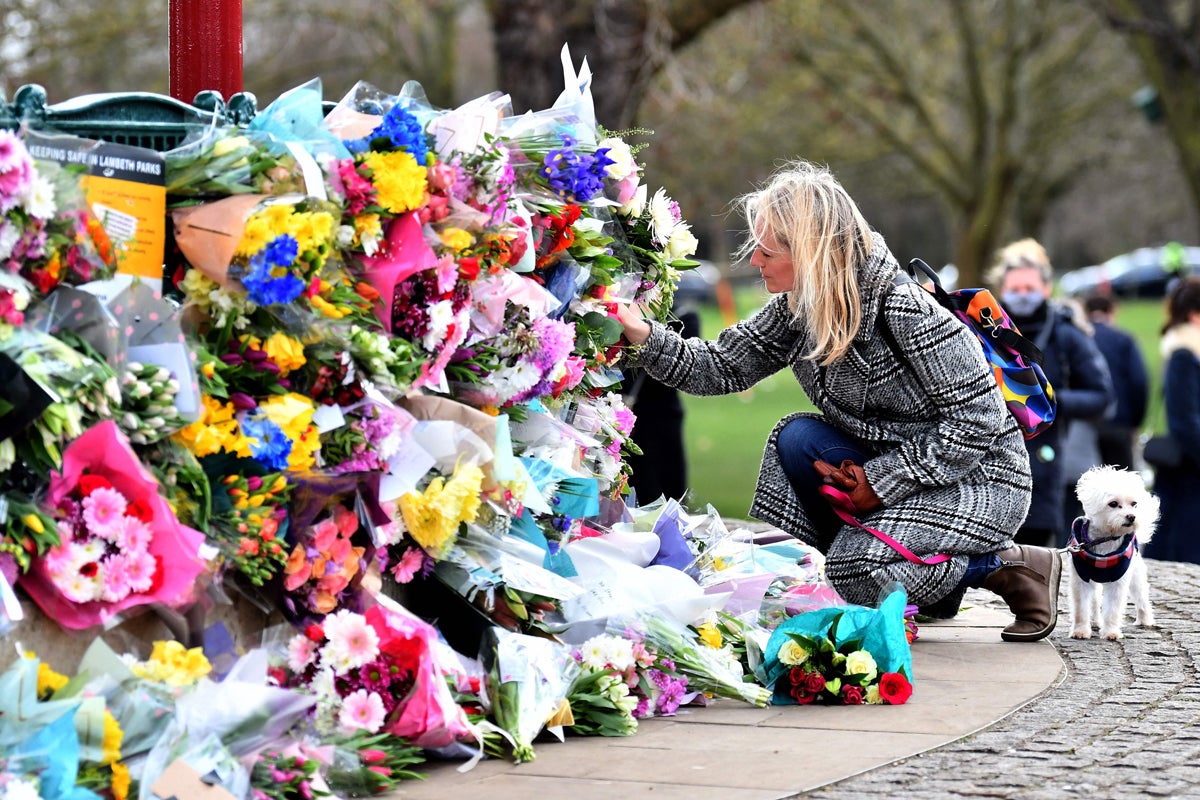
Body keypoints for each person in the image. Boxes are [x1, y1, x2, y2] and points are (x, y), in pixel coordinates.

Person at [616, 159, 1060, 642]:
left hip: (980, 478)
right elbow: (724, 366)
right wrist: (641, 333)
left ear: (808, 251)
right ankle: (908, 578)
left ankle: (1002, 566)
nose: (754, 262)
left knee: (850, 570)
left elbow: (979, 423)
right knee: (796, 438)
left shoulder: (905, 310)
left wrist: (883, 481)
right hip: (898, 465)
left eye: (766, 250)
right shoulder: (797, 307)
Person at [988, 240, 1114, 549]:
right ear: (1001, 290)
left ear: (1046, 288)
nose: (1022, 295)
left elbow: (1102, 396)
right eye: (1014, 288)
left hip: (1045, 464)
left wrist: (1048, 400)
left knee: (1036, 551)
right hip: (990, 460)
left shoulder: (1066, 334)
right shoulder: (985, 331)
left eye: (1029, 287)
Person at [1142, 277, 1200, 564]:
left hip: (1186, 472)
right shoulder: (1184, 355)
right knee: (1181, 559)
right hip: (1185, 475)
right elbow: (1185, 422)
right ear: (1194, 314)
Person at [624, 300, 702, 504]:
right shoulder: (621, 317)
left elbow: (684, 371)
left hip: (662, 416)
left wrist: (642, 334)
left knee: (666, 485)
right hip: (628, 418)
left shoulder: (683, 316)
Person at [1084, 294, 1149, 470]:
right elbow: (1138, 381)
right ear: (1111, 312)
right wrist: (1135, 421)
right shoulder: (1123, 340)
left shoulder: (1078, 339)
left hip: (1084, 425)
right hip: (1119, 423)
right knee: (1122, 487)